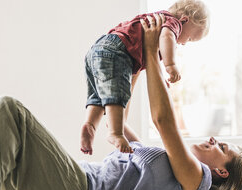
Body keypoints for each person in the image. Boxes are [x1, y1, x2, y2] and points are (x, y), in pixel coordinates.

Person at [0, 14, 242, 190]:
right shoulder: (166, 165)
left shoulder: (196, 184)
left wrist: (153, 53)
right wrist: (135, 60)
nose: (215, 140)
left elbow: (162, 121)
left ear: (222, 172)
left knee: (6, 108)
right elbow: (121, 124)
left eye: (222, 148)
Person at [80, 0, 210, 155]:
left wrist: (161, 77)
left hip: (98, 48)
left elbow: (151, 55)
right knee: (118, 93)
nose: (184, 44)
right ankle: (115, 133)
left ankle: (90, 125)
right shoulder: (173, 23)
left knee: (99, 96)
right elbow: (167, 37)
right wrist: (171, 65)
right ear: (185, 20)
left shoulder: (155, 21)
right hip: (117, 51)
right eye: (189, 38)